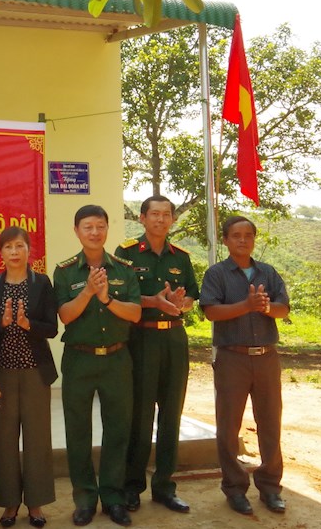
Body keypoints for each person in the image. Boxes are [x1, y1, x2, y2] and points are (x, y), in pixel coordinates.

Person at [53, 205, 142, 527]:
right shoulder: (65, 271)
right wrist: (89, 292)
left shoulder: (123, 269)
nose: (94, 232)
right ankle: (85, 499)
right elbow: (65, 315)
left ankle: (113, 498)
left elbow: (135, 313)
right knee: (78, 432)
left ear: (107, 228)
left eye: (100, 226)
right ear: (77, 231)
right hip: (79, 359)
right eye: (88, 227)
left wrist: (106, 298)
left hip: (117, 359)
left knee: (118, 430)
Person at [199, 215, 290, 516]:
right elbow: (211, 312)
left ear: (254, 239)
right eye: (236, 235)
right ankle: (235, 489)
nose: (242, 240)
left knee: (270, 423)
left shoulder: (268, 272)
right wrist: (246, 306)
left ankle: (270, 487)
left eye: (248, 235)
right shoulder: (216, 274)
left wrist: (266, 307)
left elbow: (283, 308)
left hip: (266, 358)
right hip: (232, 358)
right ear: (225, 240)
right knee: (228, 426)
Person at [116, 196, 198, 514]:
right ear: (142, 218)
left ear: (173, 220)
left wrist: (181, 303)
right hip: (142, 338)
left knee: (171, 414)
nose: (161, 220)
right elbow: (121, 295)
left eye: (166, 215)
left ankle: (165, 486)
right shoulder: (126, 252)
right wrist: (154, 301)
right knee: (140, 415)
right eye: (154, 214)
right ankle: (132, 486)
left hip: (174, 338)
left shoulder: (182, 257)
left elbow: (191, 297)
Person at [0, 226, 59, 528]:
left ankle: (36, 503)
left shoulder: (42, 283)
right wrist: (2, 324)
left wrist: (29, 324)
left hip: (35, 371)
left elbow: (51, 328)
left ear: (29, 250)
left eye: (19, 246)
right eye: (8, 247)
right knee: (4, 439)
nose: (14, 252)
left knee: (38, 438)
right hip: (1, 372)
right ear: (0, 253)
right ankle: (9, 502)